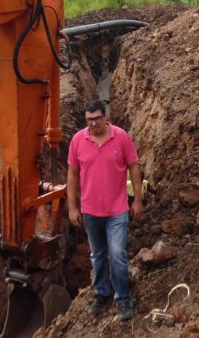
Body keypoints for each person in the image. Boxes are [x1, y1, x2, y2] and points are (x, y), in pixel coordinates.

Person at [67, 99, 144, 322]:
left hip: (117, 211)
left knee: (117, 255)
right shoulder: (77, 140)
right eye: (89, 120)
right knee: (98, 256)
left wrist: (137, 201)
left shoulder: (121, 137)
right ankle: (101, 293)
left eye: (97, 118)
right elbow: (72, 175)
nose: (93, 123)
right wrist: (73, 208)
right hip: (90, 212)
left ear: (105, 116)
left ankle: (122, 298)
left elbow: (134, 168)